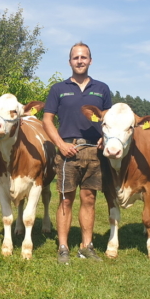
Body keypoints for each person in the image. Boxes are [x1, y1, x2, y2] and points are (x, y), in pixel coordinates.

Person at [42, 42, 112, 264]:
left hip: (94, 151)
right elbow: (47, 120)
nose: (80, 61)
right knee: (65, 200)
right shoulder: (58, 89)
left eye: (84, 57)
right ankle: (63, 247)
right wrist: (60, 144)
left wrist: (105, 137)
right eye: (76, 58)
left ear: (90, 61)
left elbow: (108, 118)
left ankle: (86, 246)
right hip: (67, 151)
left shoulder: (102, 89)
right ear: (70, 61)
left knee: (89, 199)